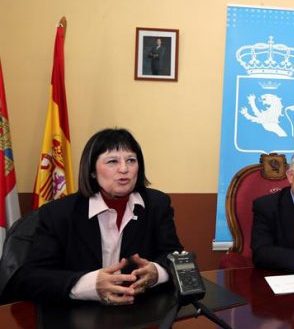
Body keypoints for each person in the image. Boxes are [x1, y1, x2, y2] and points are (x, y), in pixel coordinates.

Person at [9, 128, 183, 305]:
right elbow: (30, 278)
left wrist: (157, 272)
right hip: (78, 313)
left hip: (138, 310)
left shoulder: (157, 204)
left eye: (131, 160)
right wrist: (90, 285)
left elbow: (173, 255)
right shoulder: (59, 213)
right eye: (112, 161)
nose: (124, 169)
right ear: (92, 171)